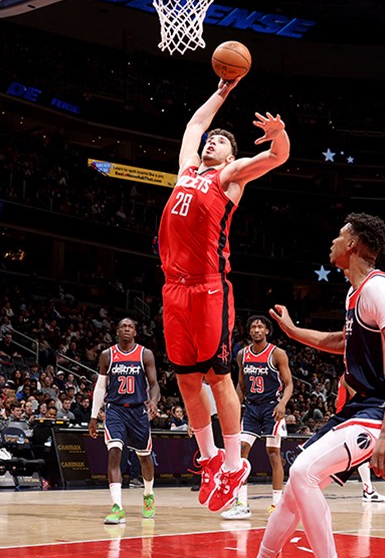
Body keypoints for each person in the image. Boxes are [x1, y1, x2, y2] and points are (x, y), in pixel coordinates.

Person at [158, 76, 291, 513]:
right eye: (210, 140)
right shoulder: (186, 170)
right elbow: (195, 124)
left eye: (219, 141)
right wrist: (221, 91)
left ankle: (234, 463)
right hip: (173, 288)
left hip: (208, 288)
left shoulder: (230, 176)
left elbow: (276, 157)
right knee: (184, 378)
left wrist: (279, 135)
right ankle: (211, 458)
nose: (211, 141)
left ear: (231, 155)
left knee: (217, 376)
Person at [257, 213, 385, 558]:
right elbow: (339, 340)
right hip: (362, 406)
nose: (331, 242)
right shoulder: (353, 293)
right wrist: (293, 331)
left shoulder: (378, 289)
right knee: (295, 486)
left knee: (303, 472)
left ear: (351, 244)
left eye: (338, 236)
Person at [89, 318, 161, 524]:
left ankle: (148, 495)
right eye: (123, 326)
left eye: (130, 326)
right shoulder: (107, 355)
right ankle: (117, 507)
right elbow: (101, 387)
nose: (127, 329)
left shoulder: (144, 354)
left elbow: (154, 384)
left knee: (144, 457)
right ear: (117, 331)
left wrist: (154, 401)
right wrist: (94, 416)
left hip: (138, 411)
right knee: (114, 452)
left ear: (136, 332)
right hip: (115, 410)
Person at [222, 315, 293, 520]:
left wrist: (282, 404)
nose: (256, 329)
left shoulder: (277, 354)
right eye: (253, 326)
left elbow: (289, 384)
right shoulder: (242, 355)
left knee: (273, 453)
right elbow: (241, 385)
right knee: (240, 452)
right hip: (252, 408)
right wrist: (235, 407)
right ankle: (242, 504)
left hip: (272, 407)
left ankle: (277, 504)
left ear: (267, 331)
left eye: (260, 326)